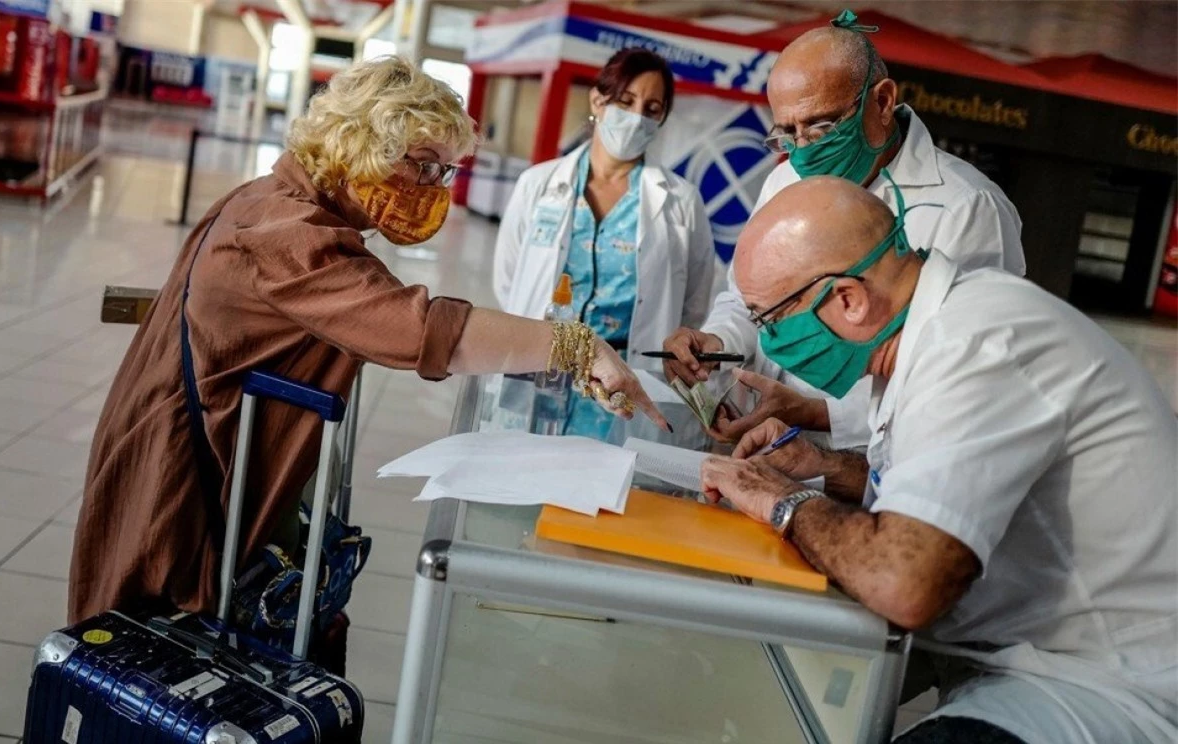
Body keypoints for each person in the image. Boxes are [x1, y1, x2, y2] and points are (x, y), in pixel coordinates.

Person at [68, 57, 667, 626]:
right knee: (158, 665)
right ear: (363, 144)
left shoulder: (282, 202)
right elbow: (416, 328)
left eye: (445, 170)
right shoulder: (285, 229)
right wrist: (575, 346)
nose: (434, 186)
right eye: (424, 163)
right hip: (180, 489)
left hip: (208, 461)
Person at [700, 175, 1177, 744]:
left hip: (1113, 686)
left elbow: (905, 582)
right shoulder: (941, 328)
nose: (770, 341)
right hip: (1031, 657)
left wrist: (784, 503)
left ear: (848, 299)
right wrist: (829, 468)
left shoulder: (975, 343)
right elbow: (950, 487)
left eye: (768, 320)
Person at [663, 11, 1024, 450]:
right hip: (760, 444)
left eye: (820, 127)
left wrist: (816, 413)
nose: (804, 150)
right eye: (788, 135)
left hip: (868, 464)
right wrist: (715, 342)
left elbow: (968, 377)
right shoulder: (785, 181)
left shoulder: (967, 208)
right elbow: (746, 299)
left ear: (883, 101)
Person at [494, 47, 716, 438]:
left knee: (606, 492)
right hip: (541, 368)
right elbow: (509, 280)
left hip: (625, 383)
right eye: (626, 101)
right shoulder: (539, 184)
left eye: (651, 109)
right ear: (598, 99)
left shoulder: (681, 200)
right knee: (525, 482)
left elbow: (693, 304)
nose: (636, 118)